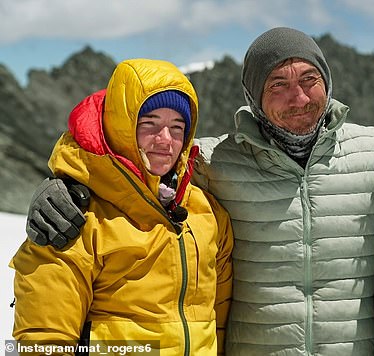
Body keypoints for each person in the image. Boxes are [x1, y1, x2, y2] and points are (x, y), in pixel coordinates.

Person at [20, 29, 374, 355]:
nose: (298, 98)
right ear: (254, 96)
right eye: (277, 84)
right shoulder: (216, 160)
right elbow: (134, 156)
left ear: (329, 83)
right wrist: (67, 181)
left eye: (309, 80)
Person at [10, 58, 234, 355]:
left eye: (177, 127)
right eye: (149, 124)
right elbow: (43, 340)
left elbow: (217, 324)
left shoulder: (207, 213)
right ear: (122, 127)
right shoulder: (72, 216)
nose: (165, 140)